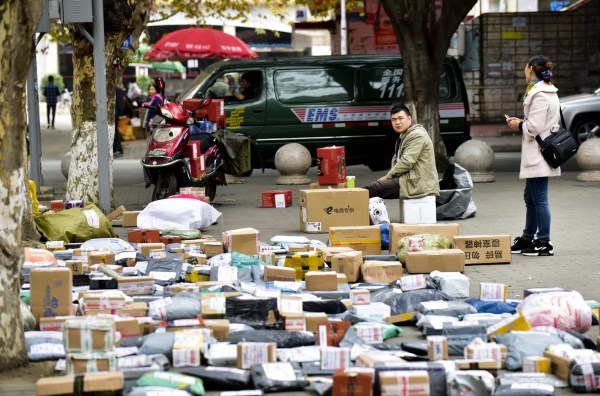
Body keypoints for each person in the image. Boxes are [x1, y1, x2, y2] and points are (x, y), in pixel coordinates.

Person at [506, 55, 561, 257]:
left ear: (530, 68)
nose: (523, 70)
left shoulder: (539, 93)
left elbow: (535, 126)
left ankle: (544, 242)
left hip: (540, 152)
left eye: (524, 67)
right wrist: (522, 122)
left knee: (539, 198)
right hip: (540, 150)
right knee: (530, 197)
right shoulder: (545, 90)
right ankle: (528, 238)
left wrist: (518, 124)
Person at [363, 103, 439, 201]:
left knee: (373, 189)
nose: (397, 122)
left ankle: (347, 205)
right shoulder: (404, 135)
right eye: (394, 120)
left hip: (418, 183)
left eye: (400, 118)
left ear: (409, 119)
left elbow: (406, 162)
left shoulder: (417, 135)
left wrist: (387, 176)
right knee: (375, 189)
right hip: (409, 179)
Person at [114, 84, 125, 157]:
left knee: (115, 130)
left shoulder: (117, 90)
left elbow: (120, 102)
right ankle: (116, 148)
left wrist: (120, 113)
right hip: (113, 113)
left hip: (115, 113)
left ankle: (118, 148)